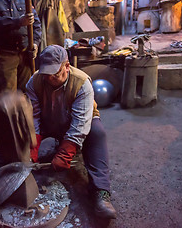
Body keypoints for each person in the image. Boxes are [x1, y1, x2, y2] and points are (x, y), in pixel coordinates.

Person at [25, 44, 117, 219]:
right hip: (48, 119)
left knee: (97, 134)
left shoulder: (82, 83)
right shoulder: (35, 81)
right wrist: (33, 143)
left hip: (74, 122)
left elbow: (80, 124)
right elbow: (34, 117)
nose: (50, 78)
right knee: (22, 129)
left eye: (56, 73)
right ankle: (4, 166)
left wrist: (67, 151)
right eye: (46, 74)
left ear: (67, 66)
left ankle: (101, 194)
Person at [0, 0, 42, 92]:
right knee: (9, 96)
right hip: (6, 54)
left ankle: (26, 108)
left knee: (27, 92)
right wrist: (19, 21)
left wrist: (35, 44)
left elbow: (36, 24)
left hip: (25, 53)